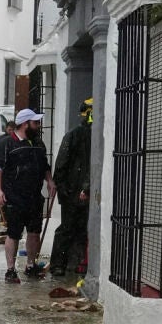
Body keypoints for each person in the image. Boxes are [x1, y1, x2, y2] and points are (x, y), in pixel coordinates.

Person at [0, 107, 56, 283]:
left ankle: (30, 265)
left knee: (34, 232)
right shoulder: (6, 143)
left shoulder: (38, 143)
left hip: (34, 196)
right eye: (35, 123)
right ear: (25, 124)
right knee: (14, 233)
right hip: (14, 196)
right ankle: (10, 270)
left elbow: (45, 165)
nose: (38, 126)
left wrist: (49, 181)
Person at [49, 99, 93, 278]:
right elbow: (62, 164)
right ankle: (58, 264)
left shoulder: (94, 135)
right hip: (71, 191)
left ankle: (75, 263)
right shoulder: (75, 135)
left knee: (82, 229)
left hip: (83, 189)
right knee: (67, 228)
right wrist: (64, 189)